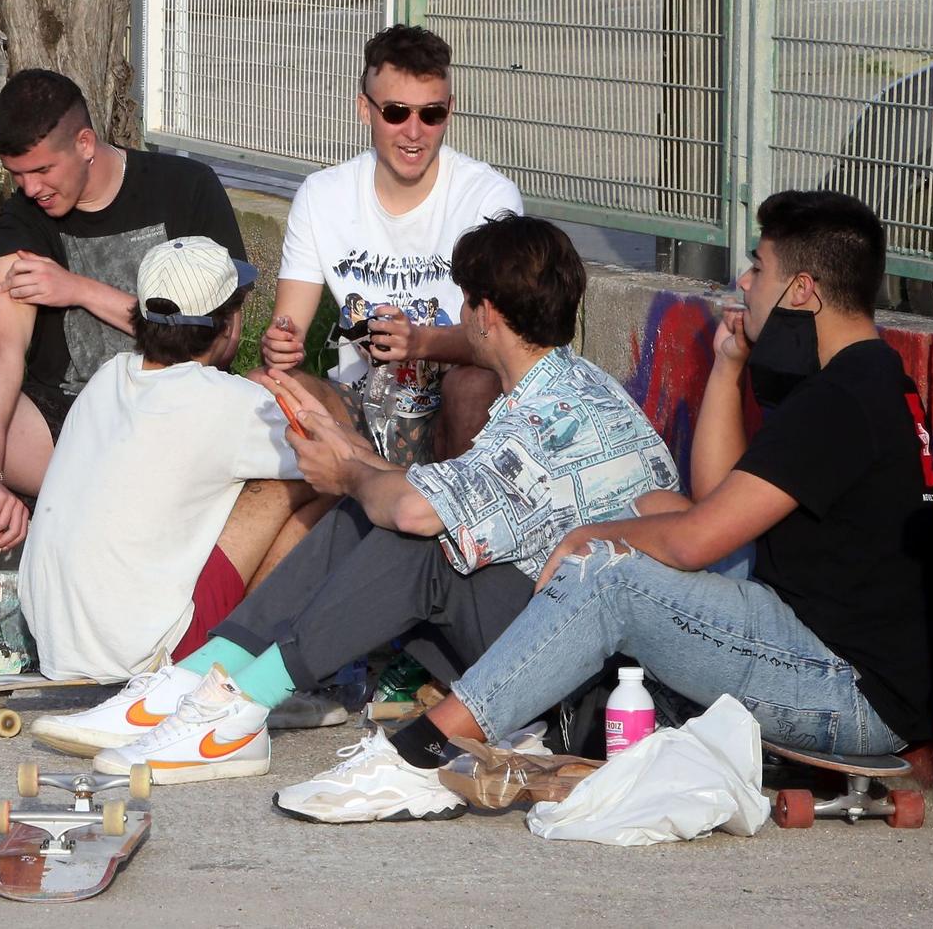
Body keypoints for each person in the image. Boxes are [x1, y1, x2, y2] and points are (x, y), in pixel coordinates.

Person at [278, 192, 933, 825]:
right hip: (812, 640)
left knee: (612, 575)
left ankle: (416, 758)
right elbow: (716, 504)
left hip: (844, 688)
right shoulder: (865, 379)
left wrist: (595, 535)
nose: (743, 283)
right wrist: (727, 364)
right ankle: (531, 717)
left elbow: (693, 541)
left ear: (803, 289)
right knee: (653, 536)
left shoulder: (839, 403)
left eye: (759, 268)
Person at [59, 216, 678, 786]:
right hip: (559, 635)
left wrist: (349, 473)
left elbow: (417, 512)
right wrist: (351, 452)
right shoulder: (578, 389)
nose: (462, 317)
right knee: (381, 514)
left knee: (418, 545)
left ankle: (241, 709)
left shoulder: (541, 422)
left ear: (485, 314)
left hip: (580, 685)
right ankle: (200, 679)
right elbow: (445, 496)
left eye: (465, 302)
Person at [0, 70, 244, 573]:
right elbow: (2, 352)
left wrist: (80, 290)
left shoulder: (185, 188)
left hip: (169, 419)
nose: (31, 189)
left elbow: (223, 341)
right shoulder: (22, 220)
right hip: (67, 429)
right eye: (17, 174)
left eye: (43, 170)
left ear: (85, 142)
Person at [17, 237, 320, 698]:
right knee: (313, 482)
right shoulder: (231, 403)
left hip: (59, 646)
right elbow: (332, 456)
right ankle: (249, 677)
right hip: (151, 655)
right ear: (227, 324)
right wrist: (298, 388)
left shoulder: (108, 376)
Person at [262, 24, 521, 468]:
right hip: (360, 403)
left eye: (431, 114)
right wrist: (281, 344)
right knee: (265, 385)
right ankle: (360, 495)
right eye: (397, 112)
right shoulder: (322, 194)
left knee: (474, 386)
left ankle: (448, 524)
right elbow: (289, 327)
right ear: (365, 109)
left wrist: (419, 342)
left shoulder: (488, 197)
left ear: (450, 111)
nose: (414, 132)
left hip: (455, 404)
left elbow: (506, 341)